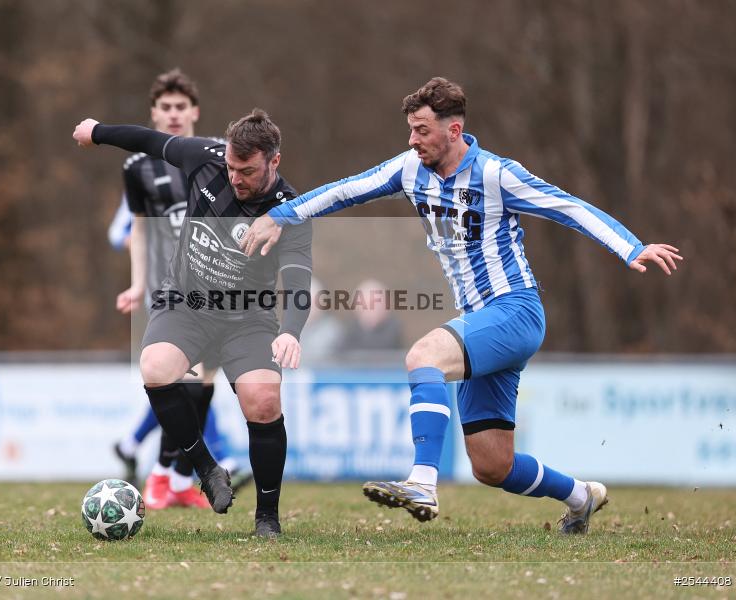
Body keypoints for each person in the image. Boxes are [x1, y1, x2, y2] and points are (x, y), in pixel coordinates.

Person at [240, 77, 682, 534]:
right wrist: (280, 214)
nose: (413, 140)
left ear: (454, 131)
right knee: (492, 464)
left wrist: (630, 247)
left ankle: (422, 483)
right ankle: (580, 496)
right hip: (480, 322)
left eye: (422, 130)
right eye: (410, 129)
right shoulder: (409, 169)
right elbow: (346, 190)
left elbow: (567, 207)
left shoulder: (497, 174)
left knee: (423, 355)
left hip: (515, 310)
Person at [74, 108, 312, 538]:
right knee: (155, 368)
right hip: (186, 304)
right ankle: (206, 470)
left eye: (249, 171)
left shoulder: (288, 211)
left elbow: (298, 281)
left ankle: (267, 518)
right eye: (232, 168)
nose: (236, 178)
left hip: (248, 320)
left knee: (263, 401)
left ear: (274, 162)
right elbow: (146, 140)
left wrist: (291, 331)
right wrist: (98, 132)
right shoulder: (206, 157)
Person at [106, 70, 250, 508]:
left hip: (215, 286)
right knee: (176, 380)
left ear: (194, 112)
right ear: (154, 113)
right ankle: (162, 477)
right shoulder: (137, 166)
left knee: (201, 384)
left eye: (179, 107)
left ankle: (179, 479)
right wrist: (136, 285)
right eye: (164, 107)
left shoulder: (215, 158)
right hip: (169, 291)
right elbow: (139, 232)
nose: (172, 114)